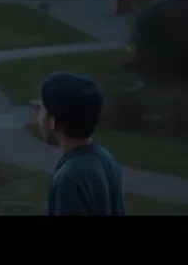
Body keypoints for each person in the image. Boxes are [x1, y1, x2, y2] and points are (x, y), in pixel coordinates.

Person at [36, 71, 126, 216]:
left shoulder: (68, 179)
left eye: (40, 108)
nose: (38, 115)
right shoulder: (106, 159)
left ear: (53, 121)